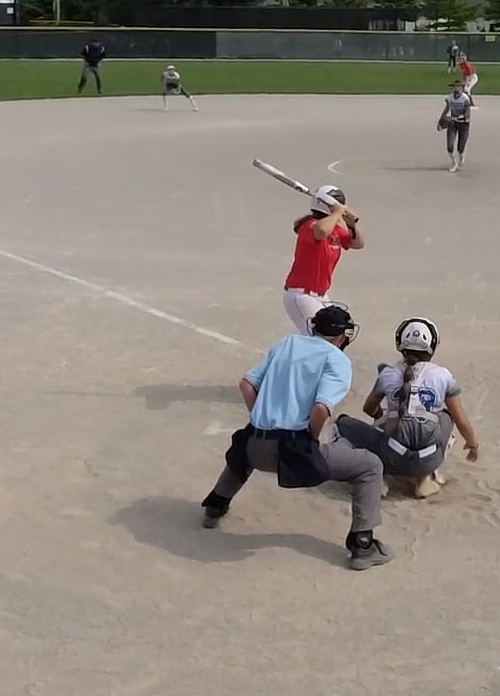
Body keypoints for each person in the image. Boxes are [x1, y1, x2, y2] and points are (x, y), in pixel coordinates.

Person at [200, 304, 393, 571]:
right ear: (342, 336)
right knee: (369, 465)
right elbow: (321, 408)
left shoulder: (287, 343)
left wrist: (259, 419)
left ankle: (215, 505)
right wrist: (309, 439)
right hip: (291, 453)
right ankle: (363, 544)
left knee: (244, 442)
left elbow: (247, 384)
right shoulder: (337, 359)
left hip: (253, 447)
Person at [336, 317, 481, 500]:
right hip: (429, 459)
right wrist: (473, 444)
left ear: (400, 344)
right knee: (446, 415)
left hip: (391, 457)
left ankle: (375, 478)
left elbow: (369, 408)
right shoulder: (443, 375)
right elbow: (462, 423)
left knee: (342, 424)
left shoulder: (388, 374)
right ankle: (425, 478)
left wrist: (383, 418)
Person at [283, 184, 364, 334]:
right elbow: (321, 231)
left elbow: (358, 244)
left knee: (338, 332)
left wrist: (352, 226)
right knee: (321, 336)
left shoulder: (334, 229)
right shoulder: (310, 226)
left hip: (320, 295)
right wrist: (337, 213)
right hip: (302, 294)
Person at [437, 81, 474, 172]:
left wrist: (459, 117)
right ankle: (454, 163)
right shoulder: (450, 98)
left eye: (458, 86)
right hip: (453, 123)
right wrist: (441, 120)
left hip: (464, 124)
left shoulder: (465, 98)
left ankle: (461, 155)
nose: (456, 88)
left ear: (461, 88)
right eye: (454, 86)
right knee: (449, 145)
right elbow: (447, 109)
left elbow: (467, 113)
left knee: (461, 146)